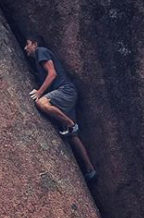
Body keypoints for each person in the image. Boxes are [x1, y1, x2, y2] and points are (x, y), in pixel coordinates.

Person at [24, 35, 97, 181]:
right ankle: (90, 170)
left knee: (42, 103)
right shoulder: (38, 62)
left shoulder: (41, 51)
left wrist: (39, 92)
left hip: (65, 91)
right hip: (66, 93)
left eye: (27, 44)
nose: (26, 48)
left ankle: (70, 123)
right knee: (73, 136)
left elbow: (52, 74)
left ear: (34, 44)